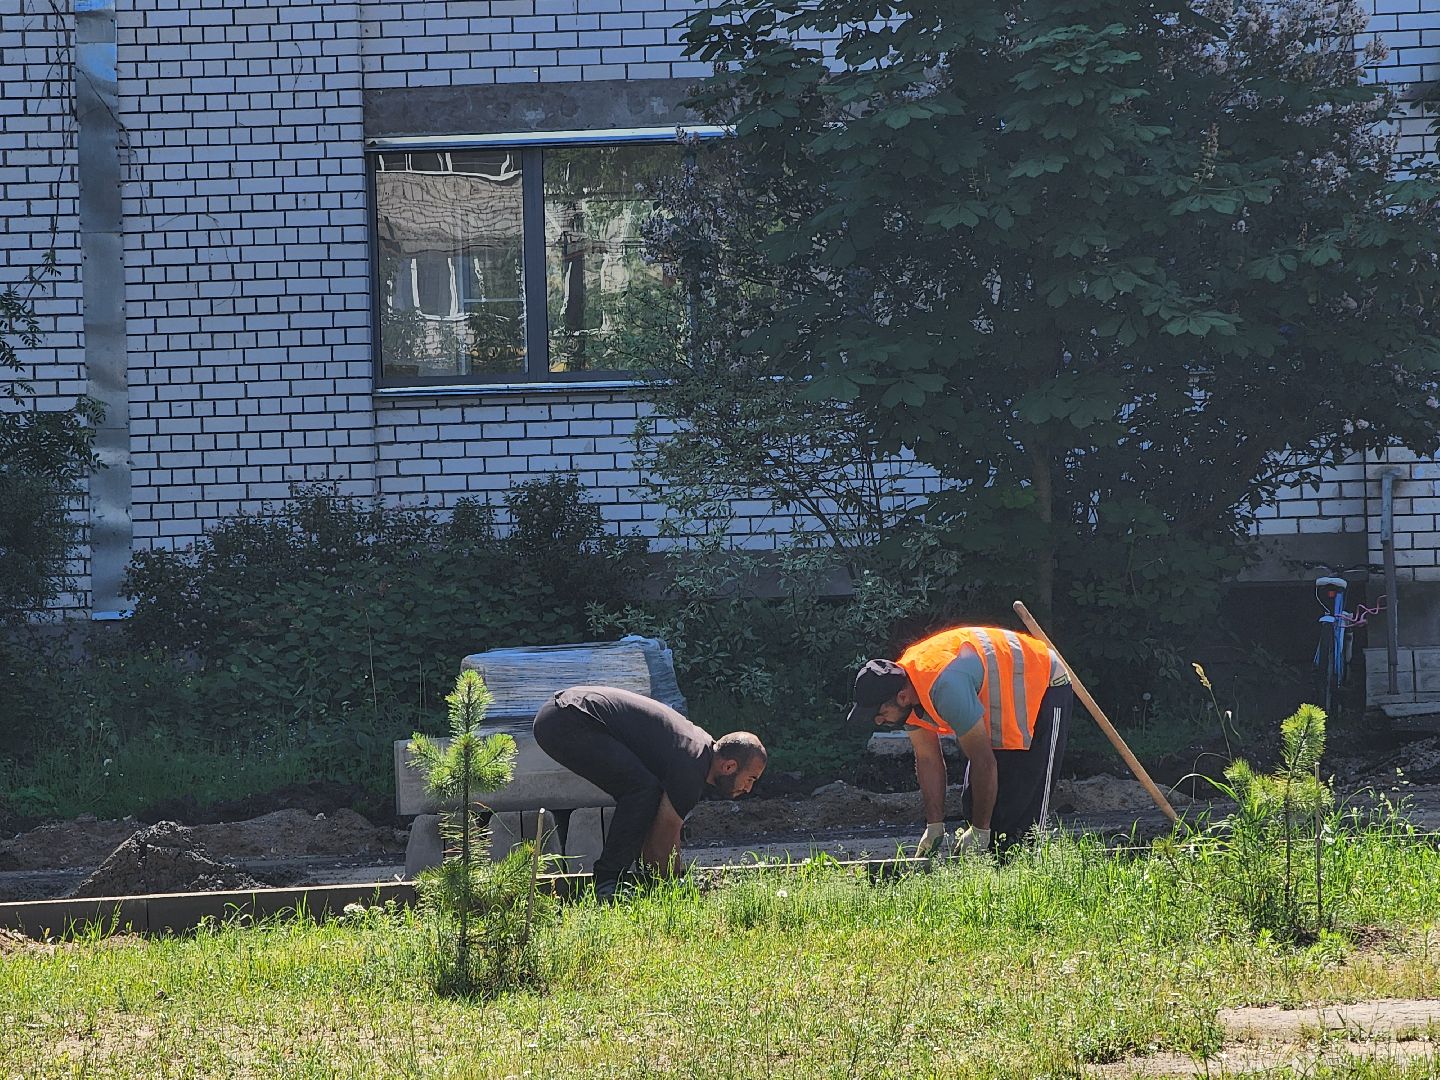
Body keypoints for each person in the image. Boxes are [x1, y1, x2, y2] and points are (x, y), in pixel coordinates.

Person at [847, 626, 1072, 856]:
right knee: (974, 802)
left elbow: (983, 761)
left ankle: (1022, 873)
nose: (880, 721)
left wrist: (980, 830)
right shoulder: (904, 689)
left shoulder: (945, 688)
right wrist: (934, 826)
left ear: (902, 698)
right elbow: (927, 758)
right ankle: (989, 869)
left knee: (1022, 807)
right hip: (1000, 691)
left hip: (1042, 682)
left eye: (880, 714)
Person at [532, 685, 767, 900]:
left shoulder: (698, 751)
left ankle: (613, 879)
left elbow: (661, 830)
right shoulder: (691, 767)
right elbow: (661, 842)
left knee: (643, 790)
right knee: (640, 791)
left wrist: (667, 873)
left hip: (564, 712)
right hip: (567, 720)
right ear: (729, 767)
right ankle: (606, 884)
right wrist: (674, 887)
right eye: (750, 779)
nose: (748, 788)